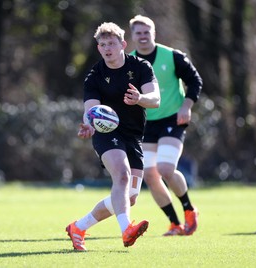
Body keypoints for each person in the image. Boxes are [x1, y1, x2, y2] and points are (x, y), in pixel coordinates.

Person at [65, 22, 161, 251]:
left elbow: (155, 99)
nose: (107, 48)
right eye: (102, 44)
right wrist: (89, 124)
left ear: (123, 44)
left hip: (134, 135)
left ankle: (78, 227)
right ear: (98, 48)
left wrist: (139, 99)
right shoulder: (94, 76)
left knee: (130, 197)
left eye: (111, 43)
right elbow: (91, 110)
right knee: (122, 175)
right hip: (107, 134)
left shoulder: (140, 67)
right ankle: (127, 229)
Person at [128, 15, 203, 236]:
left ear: (154, 33)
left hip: (172, 119)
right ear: (132, 36)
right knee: (150, 176)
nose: (142, 37)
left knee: (166, 169)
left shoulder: (172, 56)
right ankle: (175, 223)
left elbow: (195, 81)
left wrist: (186, 107)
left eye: (146, 32)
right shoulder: (128, 61)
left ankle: (189, 210)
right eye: (138, 33)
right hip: (145, 125)